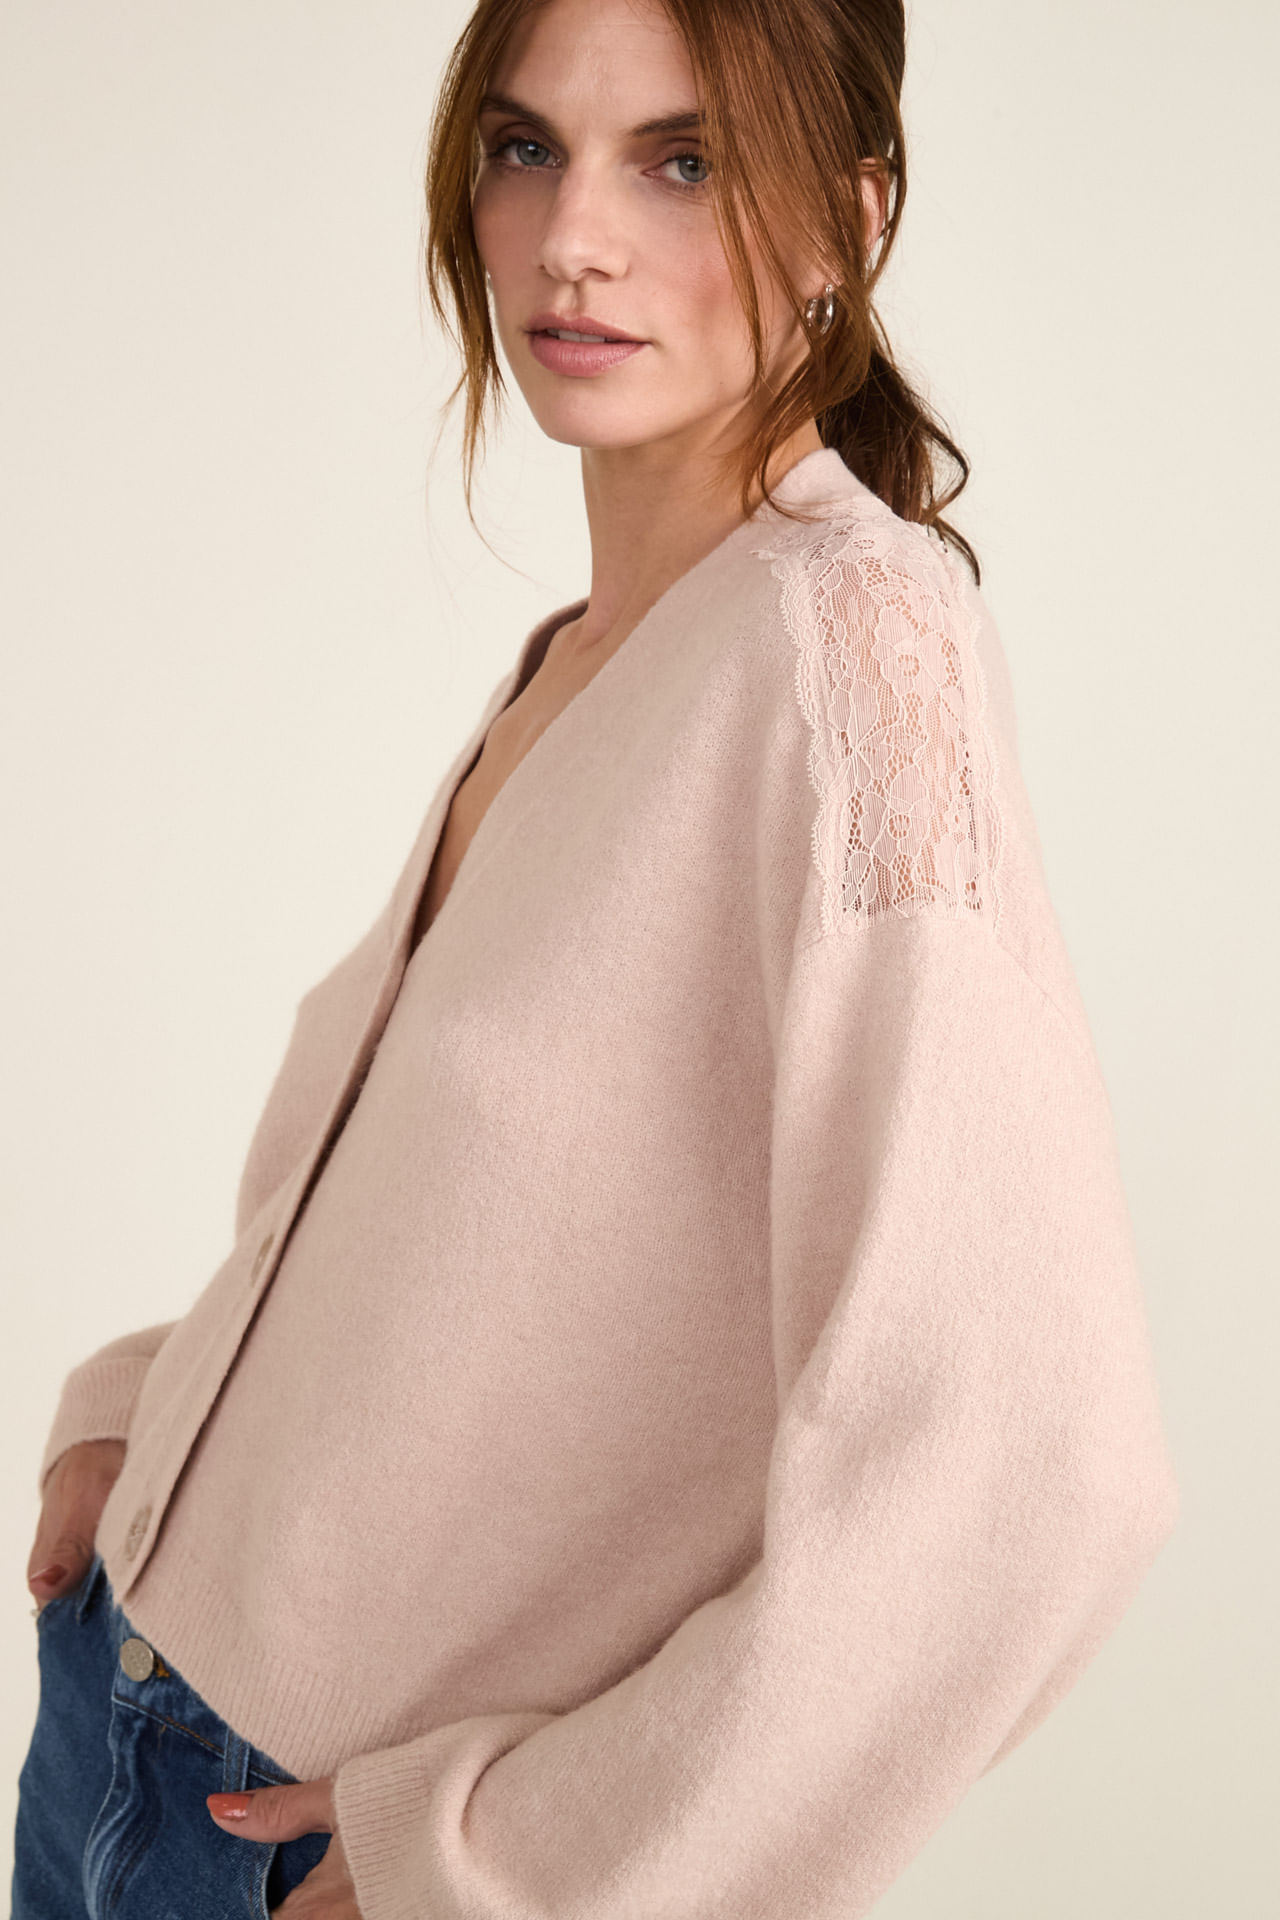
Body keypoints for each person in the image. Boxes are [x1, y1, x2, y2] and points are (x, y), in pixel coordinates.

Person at [13, 0, 1180, 1915]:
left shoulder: (856, 650)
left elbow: (1023, 1479)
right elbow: (480, 1247)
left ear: (854, 219)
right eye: (526, 146)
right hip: (121, 1725)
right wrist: (144, 1405)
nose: (571, 239)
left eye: (684, 162)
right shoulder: (593, 655)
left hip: (307, 1837)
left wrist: (513, 1863)